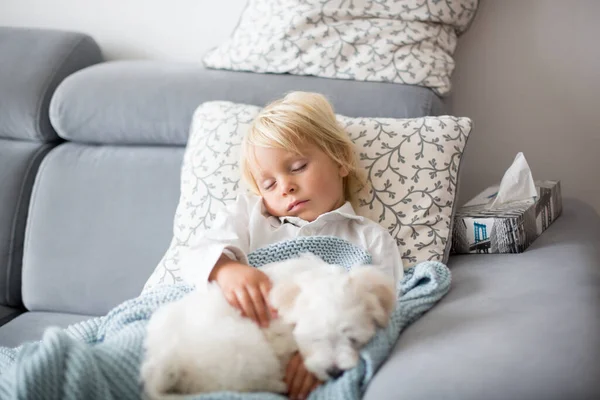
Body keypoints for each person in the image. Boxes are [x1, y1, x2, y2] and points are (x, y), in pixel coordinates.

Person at [181, 91, 403, 400]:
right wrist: (227, 269)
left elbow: (387, 311)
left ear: (340, 159)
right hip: (229, 337)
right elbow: (195, 256)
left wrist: (319, 353)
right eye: (269, 184)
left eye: (298, 166)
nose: (285, 186)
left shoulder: (367, 237)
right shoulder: (251, 216)